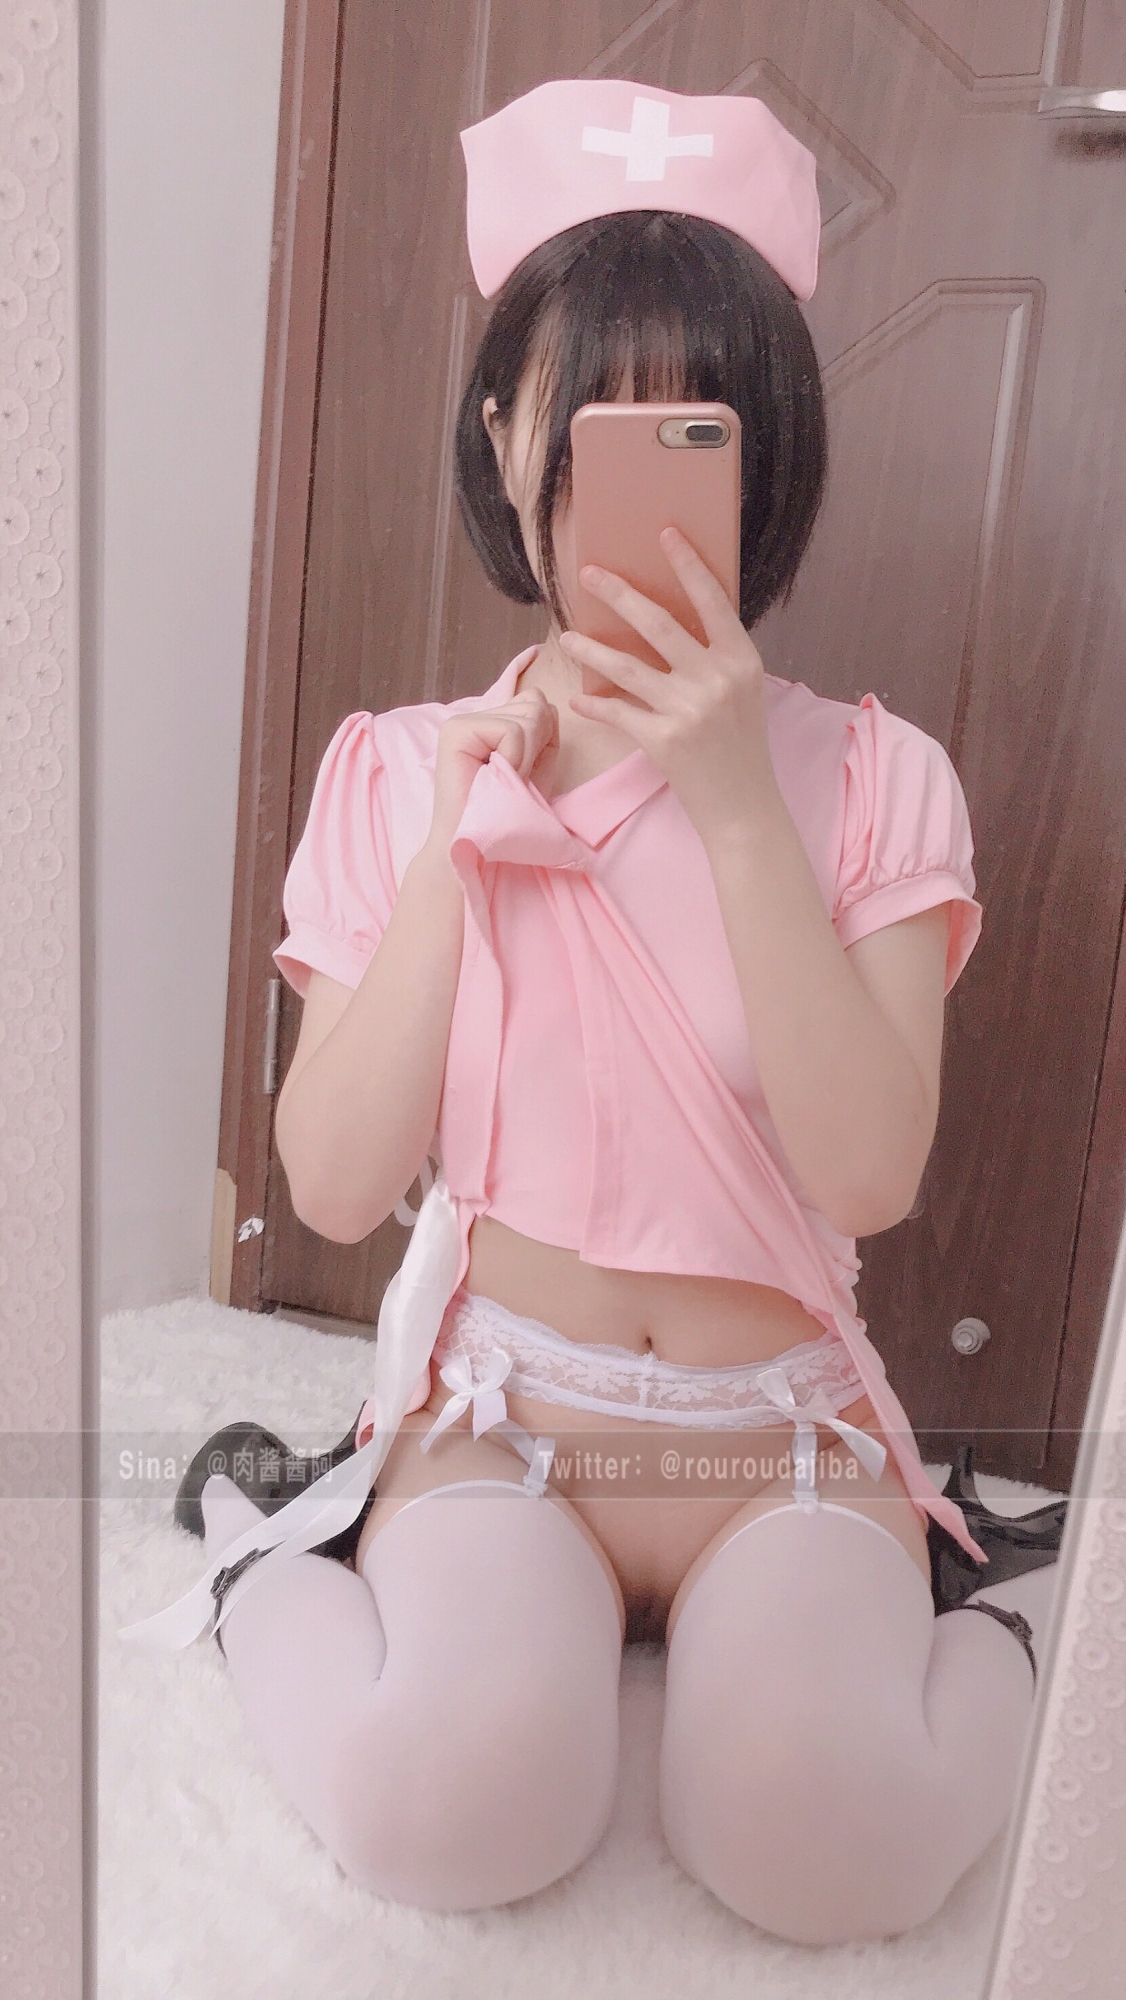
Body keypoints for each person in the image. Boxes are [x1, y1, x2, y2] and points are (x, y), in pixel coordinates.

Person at [120, 80, 1066, 1943]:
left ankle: (1004, 1616)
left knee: (830, 1849)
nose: (634, 488)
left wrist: (732, 805)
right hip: (504, 1413)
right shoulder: (396, 770)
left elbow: (866, 1177)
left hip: (778, 1428)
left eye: (692, 431)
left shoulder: (877, 777)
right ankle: (262, 1555)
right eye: (587, 424)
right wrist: (459, 852)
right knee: (448, 1811)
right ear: (504, 437)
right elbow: (333, 1185)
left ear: (763, 461)